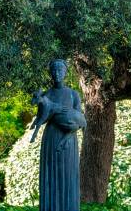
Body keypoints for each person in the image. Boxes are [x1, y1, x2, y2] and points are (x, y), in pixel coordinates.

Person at [30, 59, 86, 211]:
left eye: (60, 70)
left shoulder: (73, 94)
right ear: (51, 74)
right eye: (54, 71)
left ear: (65, 73)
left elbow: (80, 119)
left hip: (68, 139)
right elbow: (41, 117)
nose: (57, 73)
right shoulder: (47, 94)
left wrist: (73, 126)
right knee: (51, 175)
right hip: (51, 137)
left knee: (68, 174)